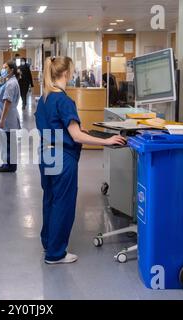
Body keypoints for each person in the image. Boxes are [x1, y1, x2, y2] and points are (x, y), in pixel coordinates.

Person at [35, 56, 126, 265]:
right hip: (62, 157)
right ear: (66, 73)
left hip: (46, 154)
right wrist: (107, 141)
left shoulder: (45, 98)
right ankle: (56, 254)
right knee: (63, 204)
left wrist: (76, 131)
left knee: (50, 199)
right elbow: (75, 136)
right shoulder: (64, 101)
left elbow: (55, 127)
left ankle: (48, 242)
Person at [0, 60, 21, 173]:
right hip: (8, 117)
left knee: (7, 142)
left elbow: (7, 102)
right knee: (7, 142)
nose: (3, 70)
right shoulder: (10, 82)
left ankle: (9, 165)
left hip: (7, 118)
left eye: (5, 67)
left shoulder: (10, 84)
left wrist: (2, 120)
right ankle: (7, 164)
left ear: (11, 70)